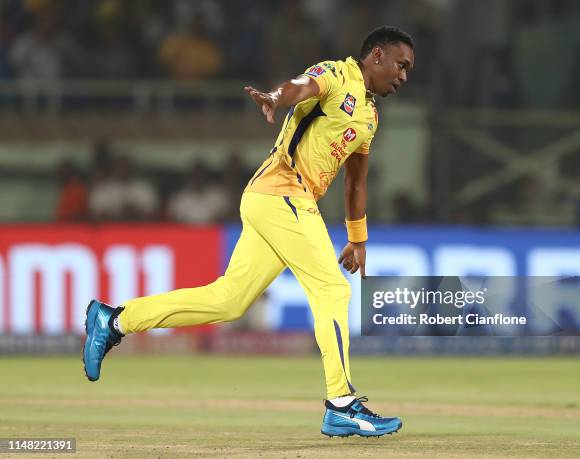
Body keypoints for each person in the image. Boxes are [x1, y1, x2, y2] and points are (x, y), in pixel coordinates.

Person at [83, 26, 415, 438]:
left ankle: (114, 320)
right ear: (377, 55)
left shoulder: (369, 115)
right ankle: (341, 405)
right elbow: (302, 86)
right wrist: (275, 97)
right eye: (401, 65)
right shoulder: (337, 73)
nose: (403, 76)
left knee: (228, 301)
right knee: (332, 290)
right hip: (283, 194)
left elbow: (356, 181)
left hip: (275, 202)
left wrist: (358, 236)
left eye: (409, 70)